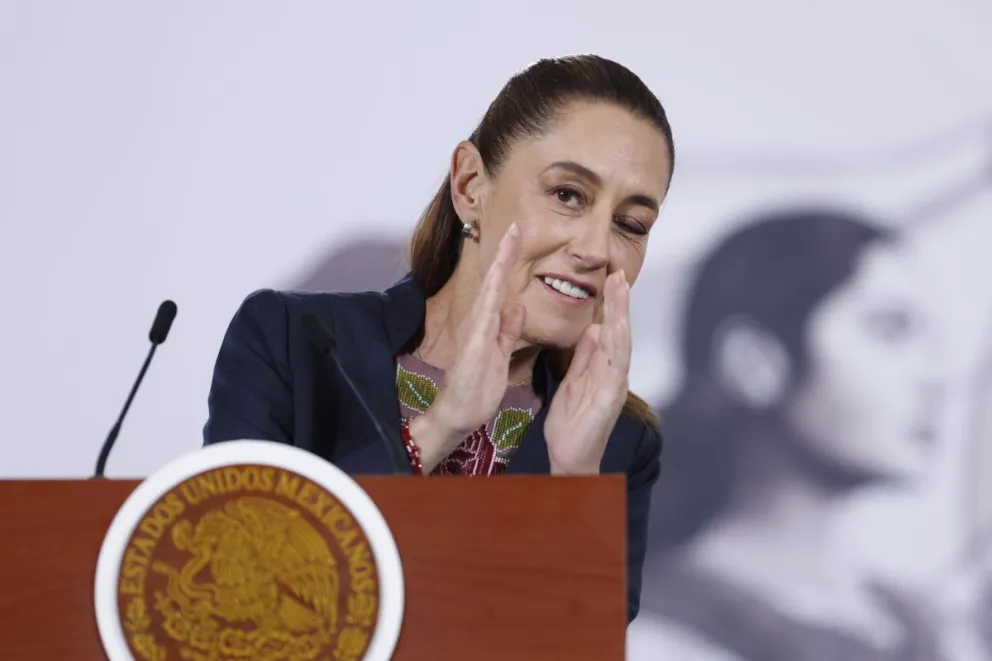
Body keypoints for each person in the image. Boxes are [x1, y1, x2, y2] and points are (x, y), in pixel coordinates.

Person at [202, 54, 675, 622]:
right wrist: (441, 426)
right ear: (470, 184)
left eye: (631, 225)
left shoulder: (619, 445)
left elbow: (578, 642)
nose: (597, 248)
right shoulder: (290, 341)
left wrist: (572, 483)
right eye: (568, 195)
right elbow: (233, 584)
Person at [627, 208, 947, 659]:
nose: (935, 375)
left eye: (930, 340)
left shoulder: (920, 623)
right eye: (889, 331)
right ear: (753, 362)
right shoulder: (655, 633)